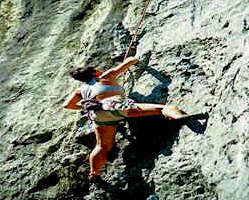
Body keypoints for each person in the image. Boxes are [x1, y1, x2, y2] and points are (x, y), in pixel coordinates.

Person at [63, 57, 191, 179]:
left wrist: (87, 107)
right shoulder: (106, 76)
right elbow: (130, 60)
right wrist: (135, 60)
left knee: (101, 145)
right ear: (95, 72)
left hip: (99, 115)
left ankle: (94, 172)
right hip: (118, 107)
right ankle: (177, 116)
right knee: (163, 108)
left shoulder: (81, 91)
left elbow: (67, 105)